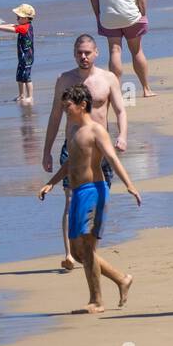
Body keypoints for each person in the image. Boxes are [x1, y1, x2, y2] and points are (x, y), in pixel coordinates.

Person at [39, 84, 140, 313]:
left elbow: (112, 158)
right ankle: (121, 279)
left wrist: (130, 185)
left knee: (88, 246)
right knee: (77, 252)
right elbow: (69, 164)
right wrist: (51, 183)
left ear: (82, 105)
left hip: (94, 191)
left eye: (68, 107)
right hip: (77, 194)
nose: (65, 111)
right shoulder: (74, 132)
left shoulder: (96, 131)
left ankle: (97, 300)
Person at [42, 34, 128, 270]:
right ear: (74, 53)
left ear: (96, 53)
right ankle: (69, 254)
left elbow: (120, 110)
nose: (83, 56)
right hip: (72, 149)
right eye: (79, 52)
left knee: (97, 202)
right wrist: (47, 151)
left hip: (100, 151)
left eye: (88, 52)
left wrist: (122, 135)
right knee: (71, 200)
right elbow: (55, 116)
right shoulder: (64, 80)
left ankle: (90, 252)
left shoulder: (108, 78)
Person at [0, 4, 35, 105]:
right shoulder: (23, 25)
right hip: (22, 56)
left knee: (27, 77)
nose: (17, 18)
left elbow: (12, 29)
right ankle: (21, 95)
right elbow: (12, 25)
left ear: (25, 18)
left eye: (19, 17)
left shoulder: (25, 28)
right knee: (20, 76)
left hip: (27, 57)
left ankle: (30, 96)